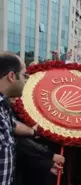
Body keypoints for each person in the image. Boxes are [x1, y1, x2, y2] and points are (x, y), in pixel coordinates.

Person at [0, 52, 42, 184]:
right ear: (12, 76)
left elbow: (13, 125)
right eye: (24, 75)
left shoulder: (3, 106)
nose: (26, 80)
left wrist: (33, 131)